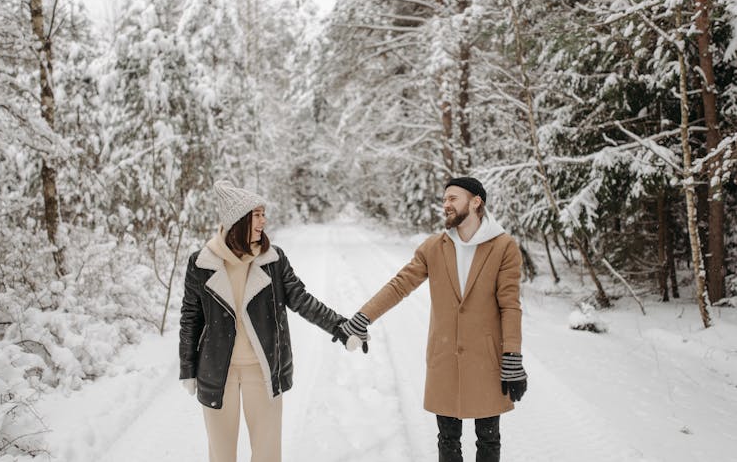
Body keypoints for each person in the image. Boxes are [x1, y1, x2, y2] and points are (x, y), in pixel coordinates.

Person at [335, 177, 527, 462]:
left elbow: (510, 305)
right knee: (447, 441)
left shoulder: (503, 247)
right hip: (445, 358)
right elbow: (399, 285)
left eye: (453, 198)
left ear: (476, 202)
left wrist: (512, 355)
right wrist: (363, 317)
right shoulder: (434, 247)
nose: (446, 204)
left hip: (487, 360)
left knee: (488, 441)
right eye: (444, 199)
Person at [179, 180, 349, 462]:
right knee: (221, 455)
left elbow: (301, 299)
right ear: (238, 220)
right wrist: (187, 368)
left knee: (267, 454)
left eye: (263, 214)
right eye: (257, 214)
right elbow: (191, 318)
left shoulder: (273, 259)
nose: (263, 221)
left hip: (264, 368)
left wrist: (339, 326)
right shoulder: (201, 263)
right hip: (217, 371)